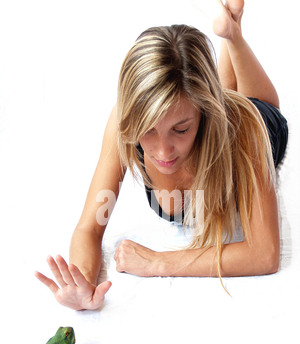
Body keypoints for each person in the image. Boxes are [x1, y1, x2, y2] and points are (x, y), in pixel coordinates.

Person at [35, 0, 288, 310]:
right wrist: (83, 282)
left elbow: (264, 254)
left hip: (256, 123)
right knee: (220, 95)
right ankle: (228, 36)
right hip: (213, 108)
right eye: (148, 131)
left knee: (259, 103)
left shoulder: (245, 130)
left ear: (204, 115)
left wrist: (158, 262)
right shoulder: (122, 123)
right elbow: (89, 227)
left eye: (181, 130)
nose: (163, 151)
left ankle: (233, 37)